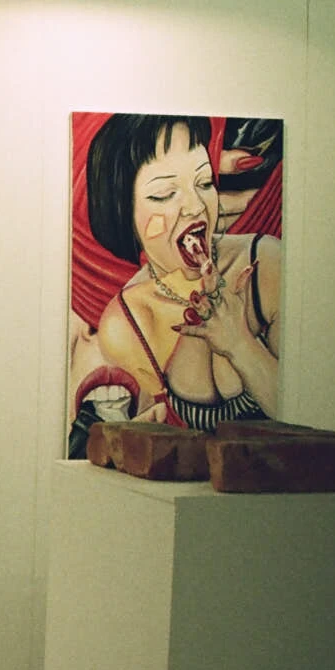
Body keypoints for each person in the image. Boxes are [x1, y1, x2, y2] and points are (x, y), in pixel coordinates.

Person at [67, 115, 280, 456]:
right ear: (125, 214)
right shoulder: (127, 321)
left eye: (205, 183)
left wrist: (239, 343)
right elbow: (170, 430)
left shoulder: (264, 263)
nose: (196, 207)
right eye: (165, 194)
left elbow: (303, 412)